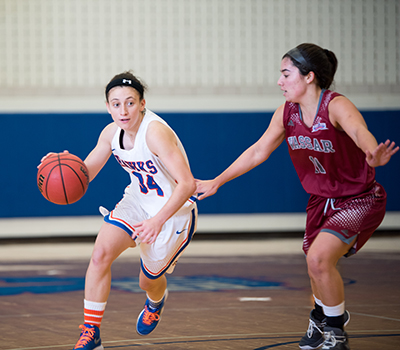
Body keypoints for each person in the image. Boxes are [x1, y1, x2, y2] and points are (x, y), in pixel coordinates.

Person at [195, 43, 398, 350]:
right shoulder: (286, 112)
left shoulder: (335, 106)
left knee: (319, 259)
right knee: (314, 264)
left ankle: (335, 335)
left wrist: (372, 153)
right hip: (320, 200)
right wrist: (218, 181)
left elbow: (358, 131)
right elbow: (258, 151)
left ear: (309, 77)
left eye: (286, 74)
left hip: (359, 198)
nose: (280, 81)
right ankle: (320, 316)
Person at [41, 71, 198, 350]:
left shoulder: (156, 133)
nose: (123, 110)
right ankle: (92, 332)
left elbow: (187, 184)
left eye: (129, 102)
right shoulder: (111, 133)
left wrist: (156, 221)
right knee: (101, 253)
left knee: (147, 281)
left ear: (142, 103)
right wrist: (58, 165)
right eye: (116, 103)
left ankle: (155, 301)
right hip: (137, 201)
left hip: (172, 212)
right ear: (107, 106)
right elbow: (83, 174)